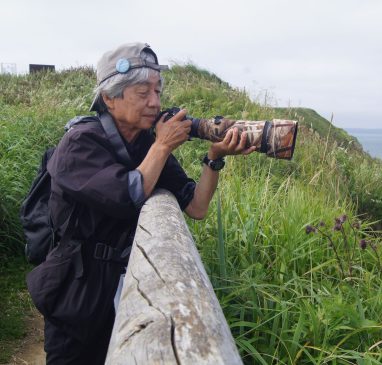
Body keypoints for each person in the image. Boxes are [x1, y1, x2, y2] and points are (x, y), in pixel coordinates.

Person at [42, 42, 254, 364]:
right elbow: (128, 193)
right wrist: (163, 144)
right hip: (77, 285)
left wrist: (214, 158)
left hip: (122, 280)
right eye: (143, 93)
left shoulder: (146, 143)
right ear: (110, 97)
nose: (155, 102)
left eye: (158, 90)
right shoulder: (80, 143)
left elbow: (196, 207)